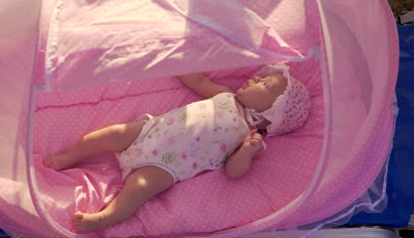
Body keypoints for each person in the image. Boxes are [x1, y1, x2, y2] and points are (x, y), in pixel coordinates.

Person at [42, 63, 311, 233]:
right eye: (259, 77)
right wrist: (180, 60)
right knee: (112, 134)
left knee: (140, 188)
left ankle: (105, 218)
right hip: (149, 131)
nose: (254, 79)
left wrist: (248, 152)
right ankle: (71, 155)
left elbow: (234, 172)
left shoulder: (247, 135)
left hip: (168, 164)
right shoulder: (225, 95)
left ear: (271, 114)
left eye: (264, 84)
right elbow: (198, 82)